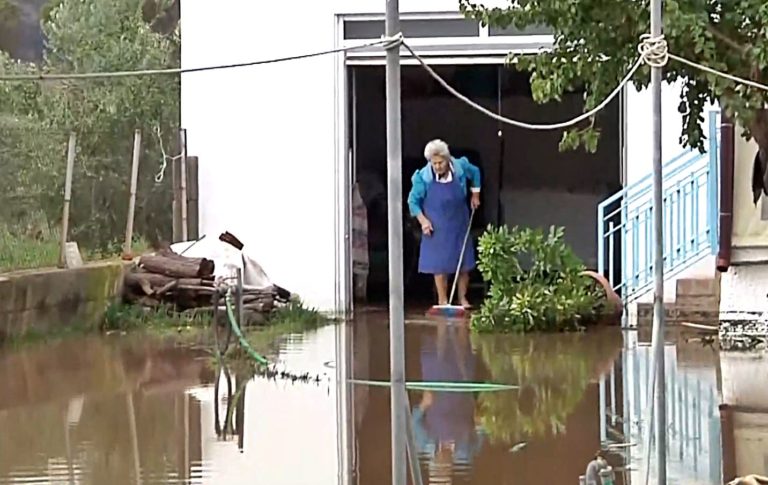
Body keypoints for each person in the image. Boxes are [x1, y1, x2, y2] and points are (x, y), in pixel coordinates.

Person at [407, 139, 481, 308]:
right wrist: (423, 221)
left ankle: (462, 298)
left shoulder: (460, 167)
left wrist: (475, 195)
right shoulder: (423, 178)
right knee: (439, 264)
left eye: (440, 162)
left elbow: (475, 173)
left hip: (458, 221)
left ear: (447, 159)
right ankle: (443, 300)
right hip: (436, 224)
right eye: (434, 163)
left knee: (464, 262)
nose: (438, 166)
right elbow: (413, 201)